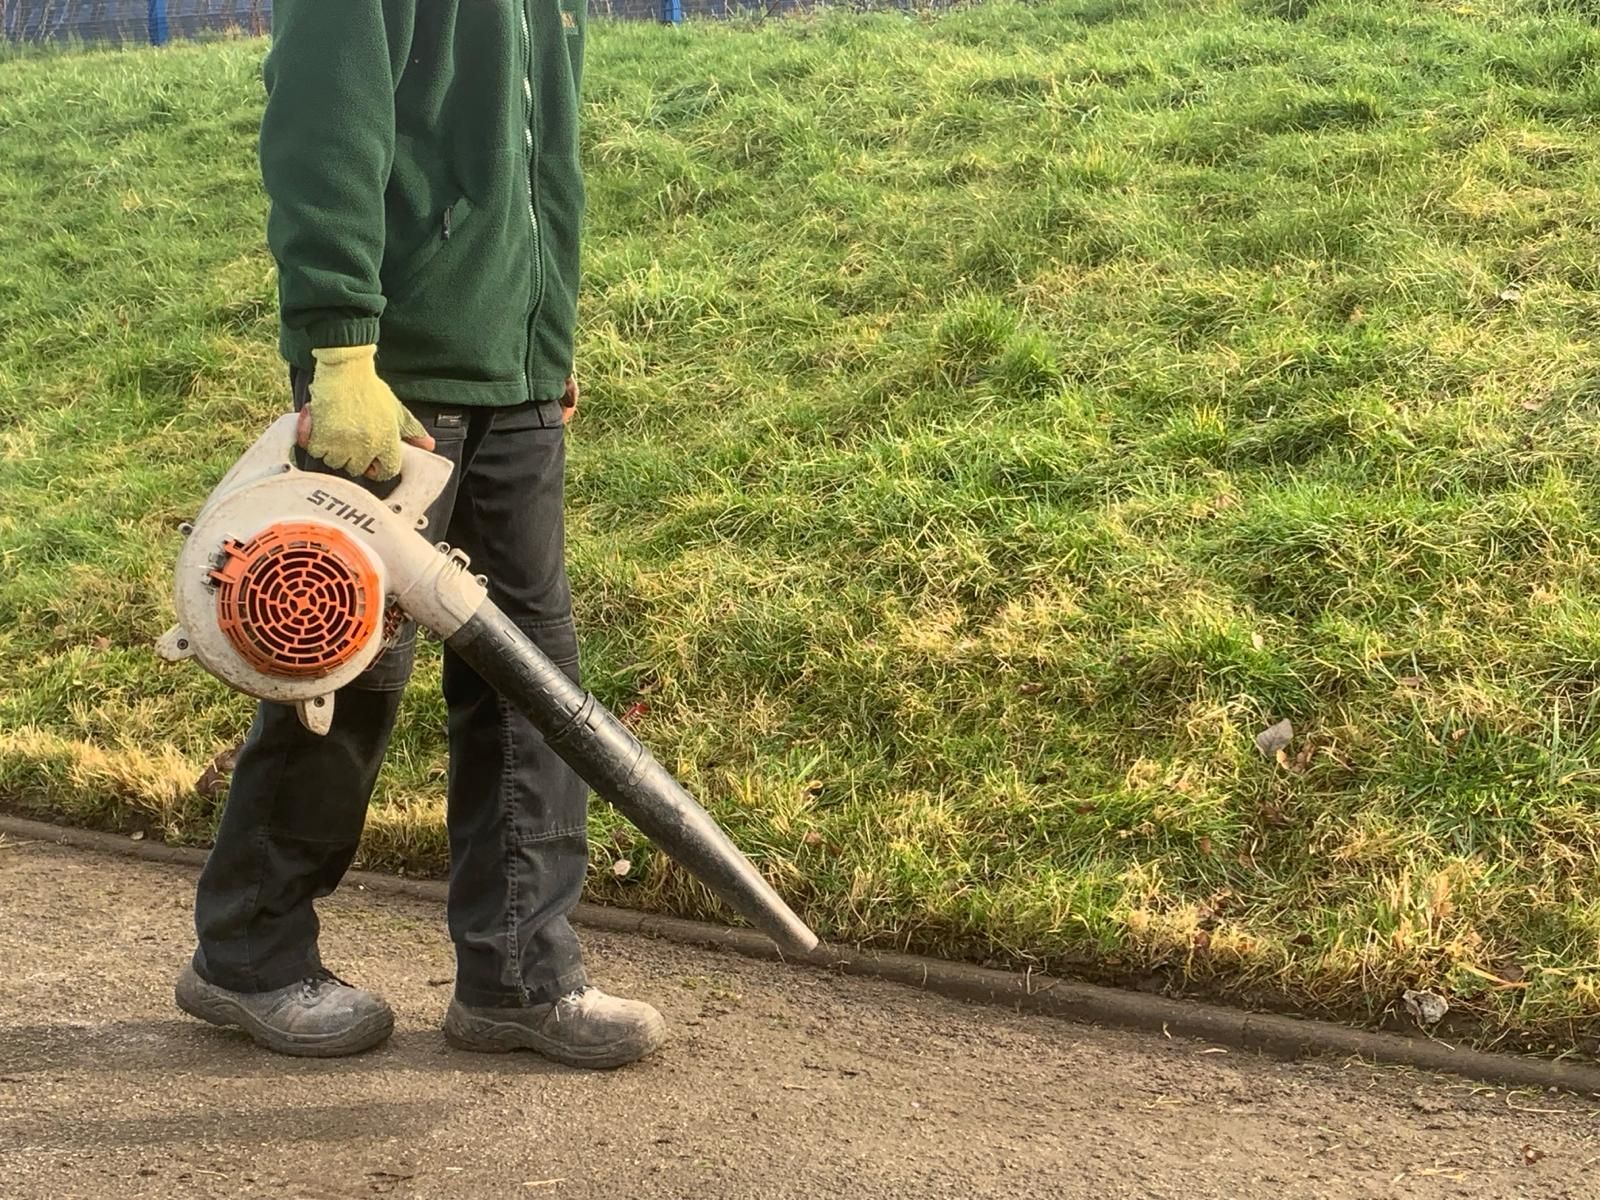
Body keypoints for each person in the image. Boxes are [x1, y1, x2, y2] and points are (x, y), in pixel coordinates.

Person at [172, 0, 667, 1069]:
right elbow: (323, 119)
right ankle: (246, 956)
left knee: (533, 681)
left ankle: (519, 977)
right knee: (347, 671)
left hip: (516, 378)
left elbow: (539, 165)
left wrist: (545, 334)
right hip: (392, 388)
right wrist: (339, 343)